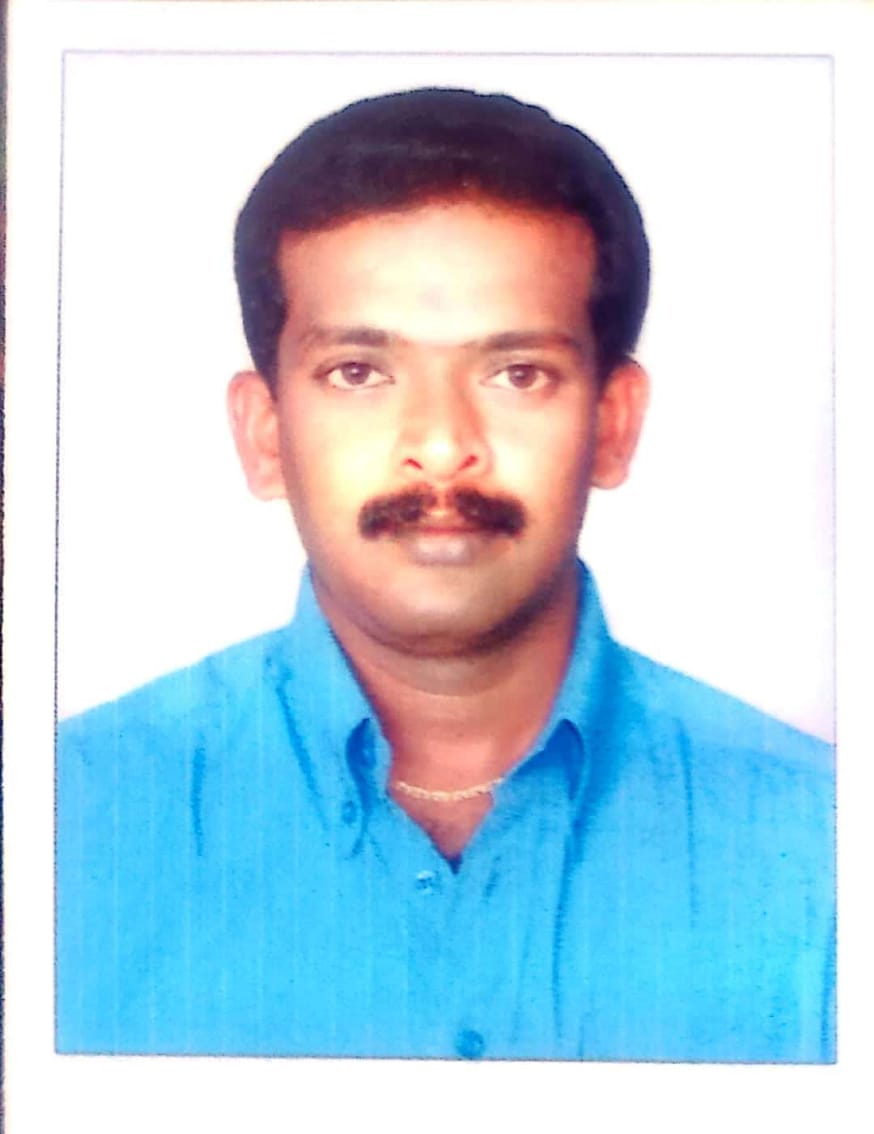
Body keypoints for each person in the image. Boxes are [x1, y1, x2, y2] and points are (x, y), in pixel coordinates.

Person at [56, 87, 834, 1063]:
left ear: (613, 423)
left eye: (516, 373)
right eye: (357, 371)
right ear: (263, 434)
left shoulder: (826, 847)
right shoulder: (59, 827)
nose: (439, 445)